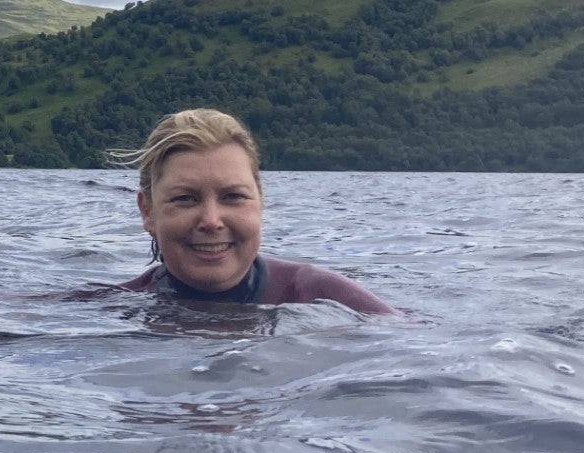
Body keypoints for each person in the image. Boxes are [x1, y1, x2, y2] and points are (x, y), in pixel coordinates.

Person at [109, 108, 393, 314]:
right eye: (185, 198)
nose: (211, 220)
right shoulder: (110, 310)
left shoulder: (326, 299)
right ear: (148, 212)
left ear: (260, 200)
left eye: (233, 196)